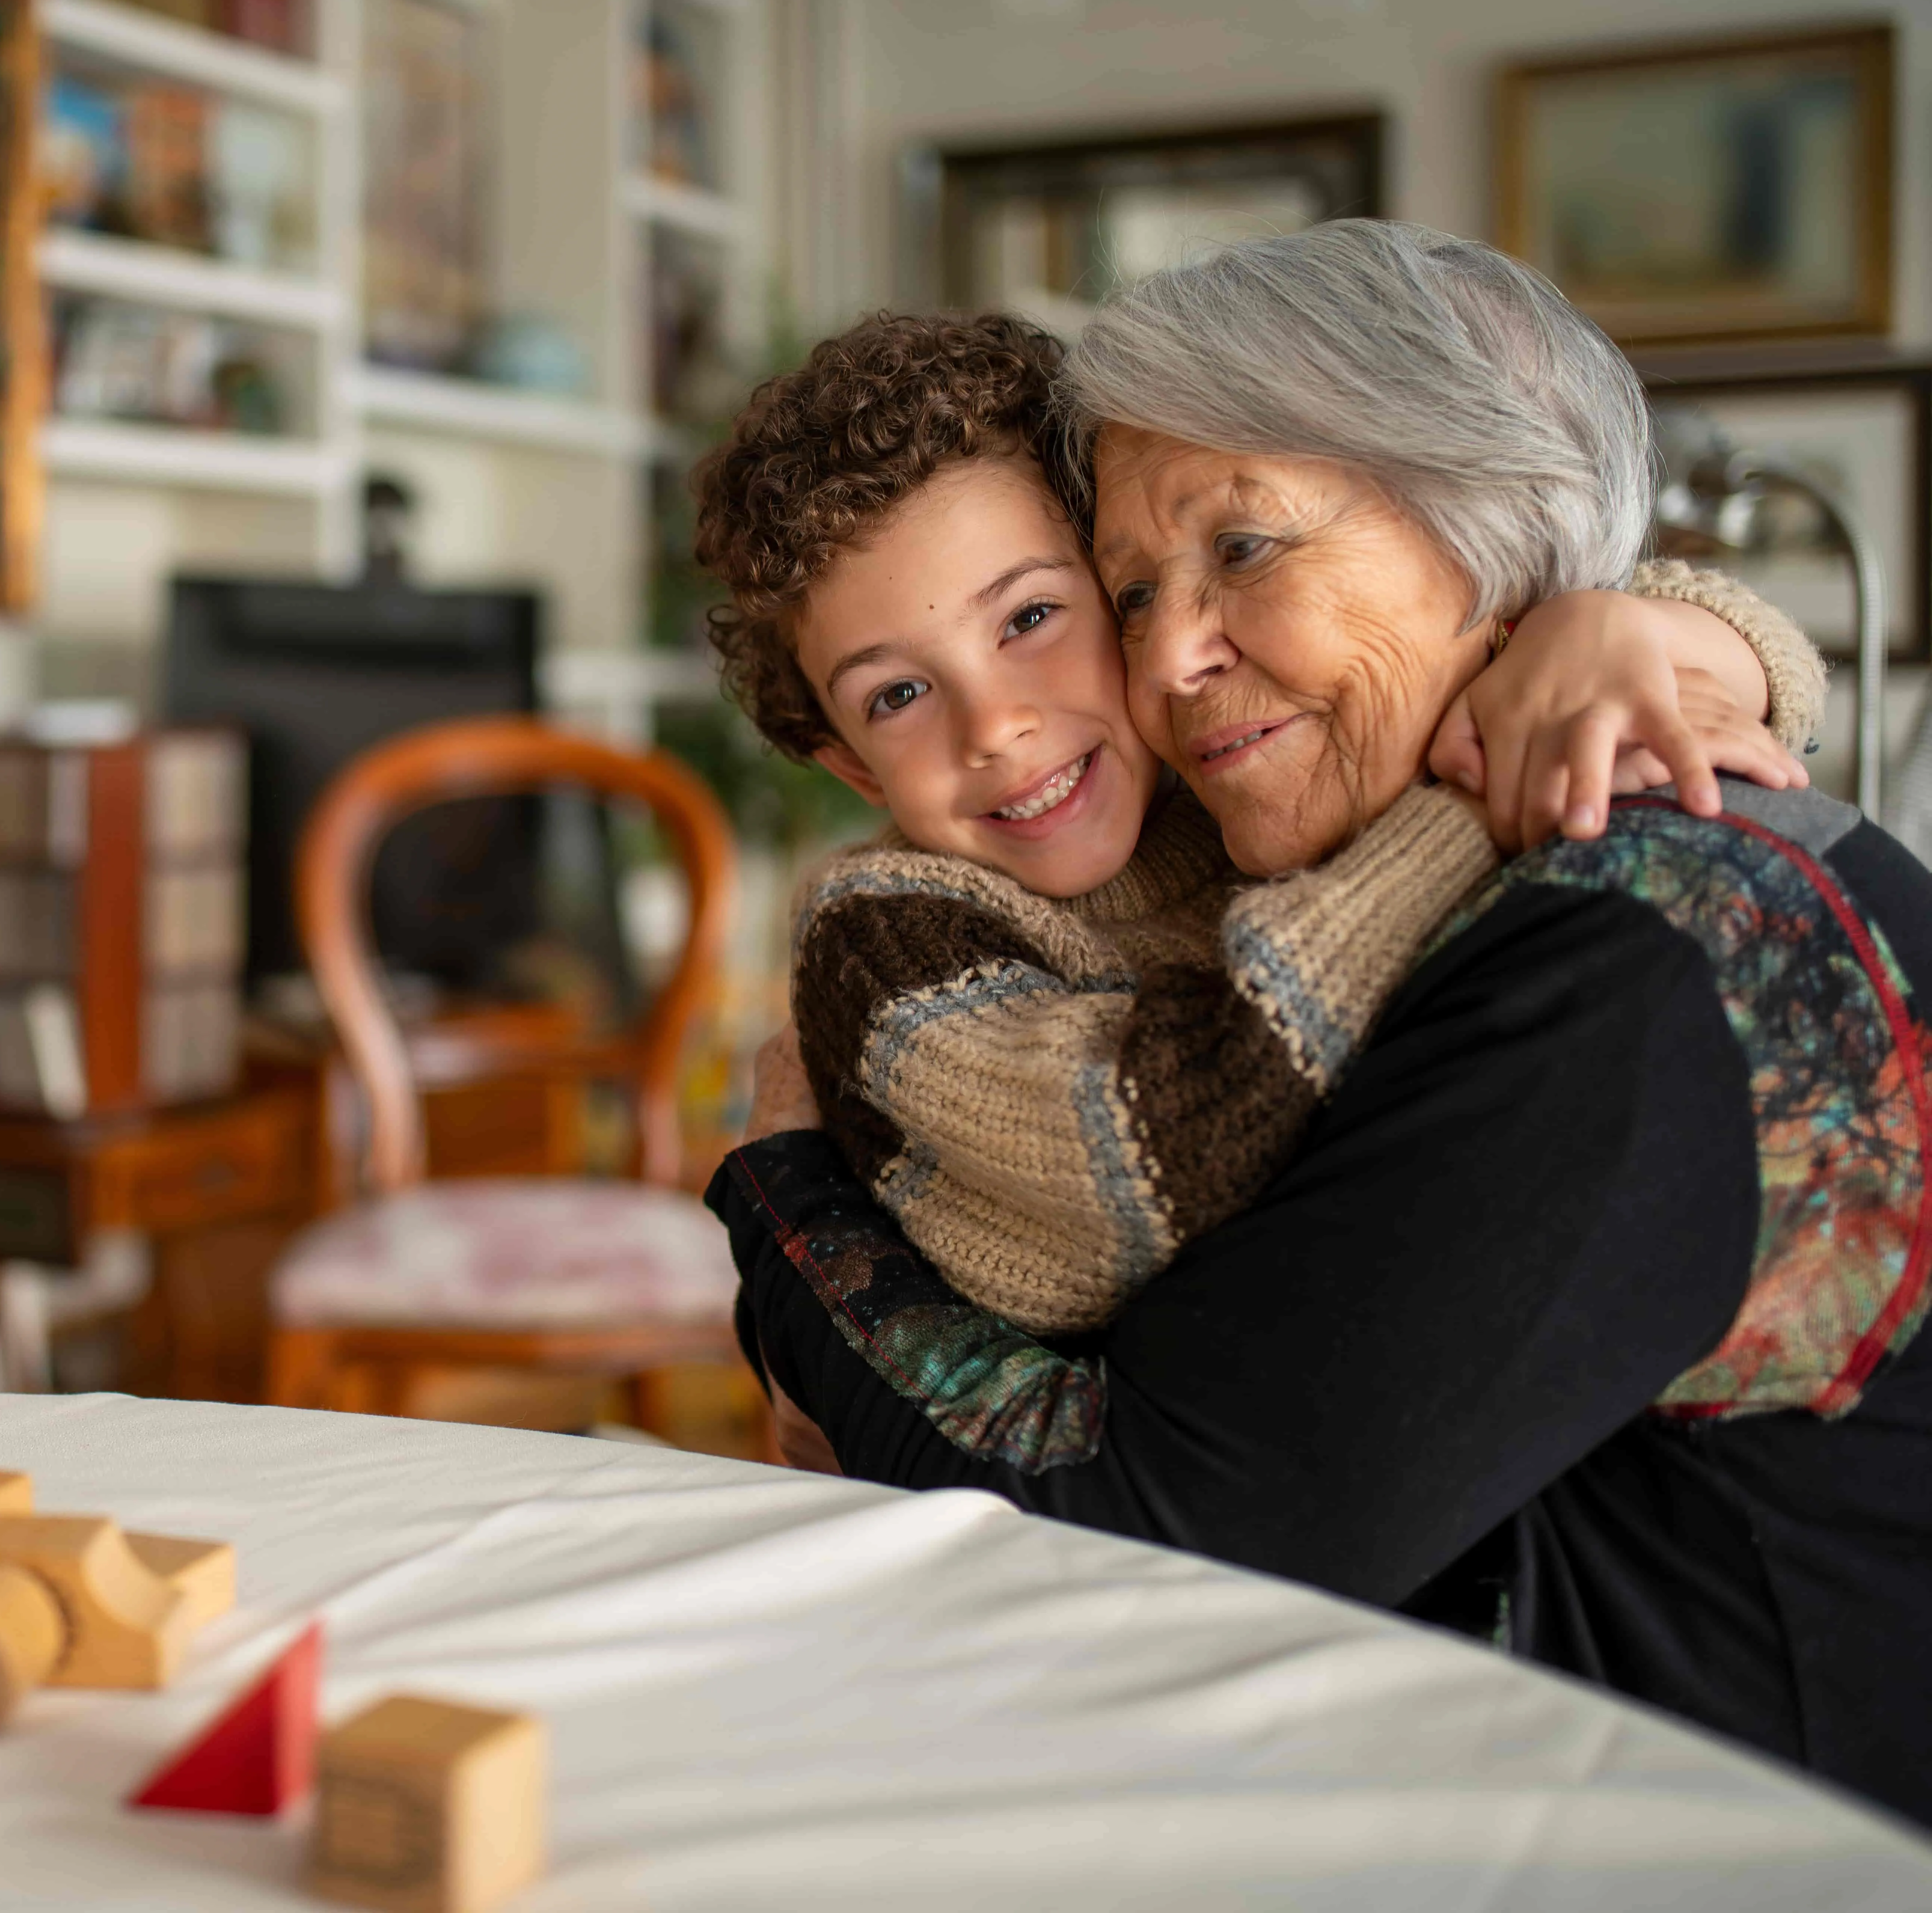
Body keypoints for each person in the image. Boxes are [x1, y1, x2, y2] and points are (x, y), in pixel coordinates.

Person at [710, 220, 1932, 1827]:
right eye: (1131, 587)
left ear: (1484, 526)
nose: (1166, 657)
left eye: (1246, 549)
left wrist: (786, 1184)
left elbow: (1140, 1513)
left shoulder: (1632, 939)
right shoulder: (1335, 860)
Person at [690, 308, 1817, 1335]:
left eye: (1031, 617)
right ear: (854, 770)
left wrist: (1604, 631)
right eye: (897, 695)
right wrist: (1477, 786)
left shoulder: (1232, 792)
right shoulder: (888, 937)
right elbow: (1162, 1157)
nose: (995, 726)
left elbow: (1772, 663)